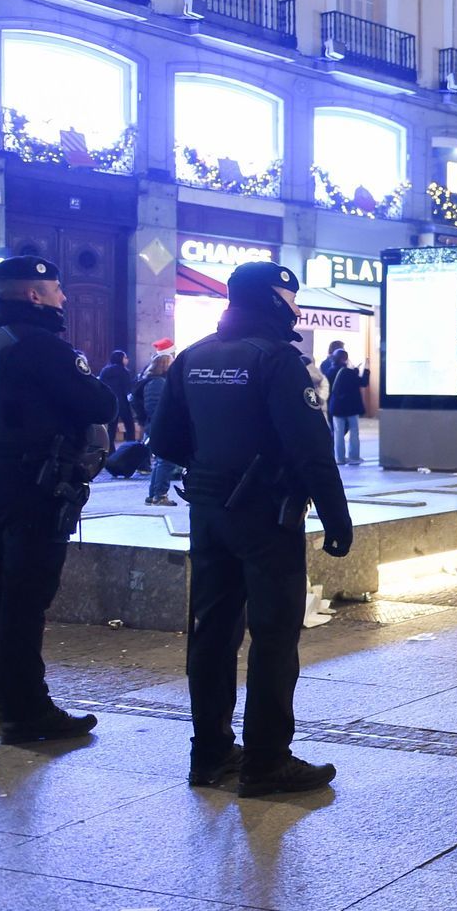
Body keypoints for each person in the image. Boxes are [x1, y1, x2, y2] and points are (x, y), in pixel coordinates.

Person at [149, 262, 353, 797]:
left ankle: (210, 754)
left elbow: (165, 442)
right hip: (267, 515)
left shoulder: (192, 357)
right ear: (271, 299)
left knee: (212, 633)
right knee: (273, 636)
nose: (296, 304)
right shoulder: (277, 360)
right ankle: (266, 761)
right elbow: (312, 449)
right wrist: (337, 516)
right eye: (290, 294)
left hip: (208, 511)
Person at [0, 255, 115, 741]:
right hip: (36, 483)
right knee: (25, 597)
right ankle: (27, 710)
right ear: (33, 294)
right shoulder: (42, 346)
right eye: (56, 288)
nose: (63, 296)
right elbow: (100, 403)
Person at [139, 352, 179, 506]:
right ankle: (160, 495)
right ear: (164, 365)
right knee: (166, 460)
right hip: (162, 425)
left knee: (161, 460)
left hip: (156, 424)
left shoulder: (154, 381)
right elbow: (156, 407)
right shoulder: (158, 383)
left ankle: (154, 494)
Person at [329, 349, 370, 467]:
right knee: (354, 431)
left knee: (338, 433)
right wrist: (365, 369)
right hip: (351, 407)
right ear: (344, 359)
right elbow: (363, 382)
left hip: (336, 406)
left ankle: (339, 458)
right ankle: (354, 457)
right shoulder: (349, 372)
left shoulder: (330, 371)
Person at [99, 348, 136, 443]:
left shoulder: (105, 370)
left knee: (111, 428)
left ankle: (110, 450)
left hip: (109, 401)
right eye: (125, 357)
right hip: (123, 402)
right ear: (121, 359)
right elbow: (127, 388)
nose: (127, 359)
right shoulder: (124, 371)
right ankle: (130, 447)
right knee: (129, 426)